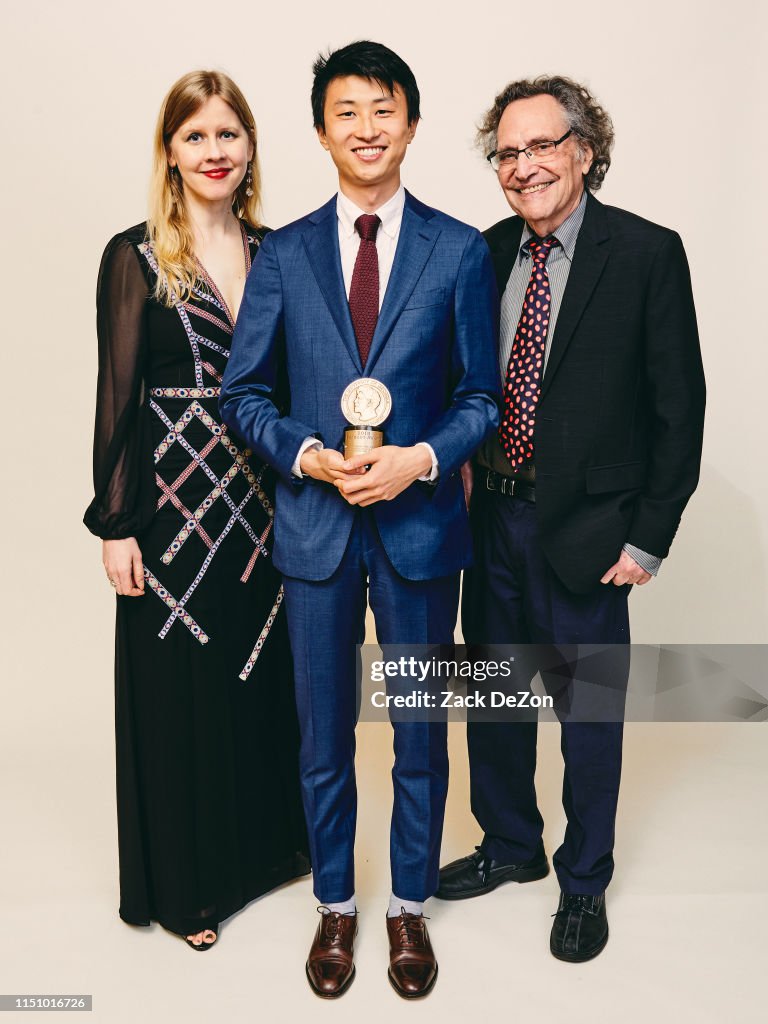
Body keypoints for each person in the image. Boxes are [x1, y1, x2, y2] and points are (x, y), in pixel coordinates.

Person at [220, 41, 499, 998]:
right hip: (314, 529)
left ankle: (409, 909)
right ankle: (337, 905)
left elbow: (481, 397)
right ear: (320, 131)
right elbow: (245, 390)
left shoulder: (459, 249)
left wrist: (419, 460)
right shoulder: (285, 254)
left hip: (421, 533)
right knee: (323, 733)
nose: (366, 128)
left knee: (418, 731)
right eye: (347, 112)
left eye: (384, 110)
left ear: (411, 124)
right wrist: (307, 454)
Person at [435, 76, 705, 962]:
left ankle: (583, 879)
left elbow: (680, 408)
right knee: (499, 704)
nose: (524, 167)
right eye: (507, 153)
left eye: (543, 146)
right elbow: (464, 384)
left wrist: (648, 536)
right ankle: (511, 845)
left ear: (585, 151)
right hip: (493, 524)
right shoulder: (483, 252)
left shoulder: (645, 253)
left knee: (587, 714)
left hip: (590, 533)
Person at [84, 70, 310, 951]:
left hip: (263, 508)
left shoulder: (279, 250)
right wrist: (116, 525)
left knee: (258, 681)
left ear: (250, 147)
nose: (214, 152)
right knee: (177, 697)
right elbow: (115, 399)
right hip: (171, 514)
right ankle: (185, 889)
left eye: (229, 134)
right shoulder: (135, 255)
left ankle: (261, 859)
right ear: (170, 152)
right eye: (196, 136)